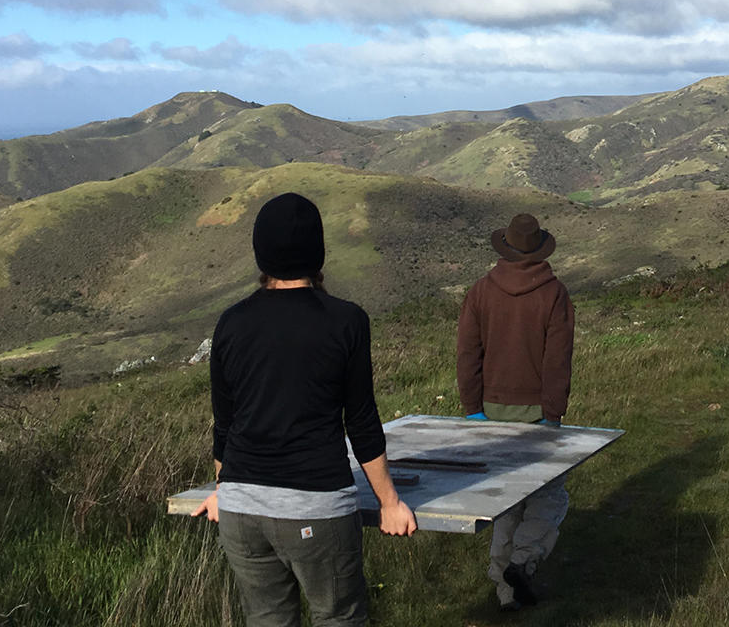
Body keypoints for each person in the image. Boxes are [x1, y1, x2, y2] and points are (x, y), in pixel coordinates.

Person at [192, 192, 416, 627]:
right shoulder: (347, 321)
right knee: (338, 617)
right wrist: (389, 503)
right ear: (318, 252)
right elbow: (362, 423)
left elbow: (226, 424)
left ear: (261, 252)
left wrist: (225, 488)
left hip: (241, 511)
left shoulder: (231, 322)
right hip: (315, 508)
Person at [457, 213, 574, 612]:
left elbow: (468, 355)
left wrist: (473, 410)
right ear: (540, 249)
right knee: (550, 496)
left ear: (504, 248)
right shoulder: (554, 294)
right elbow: (557, 360)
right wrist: (553, 413)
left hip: (490, 410)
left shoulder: (480, 292)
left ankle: (505, 592)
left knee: (506, 504)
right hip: (537, 411)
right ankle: (523, 561)